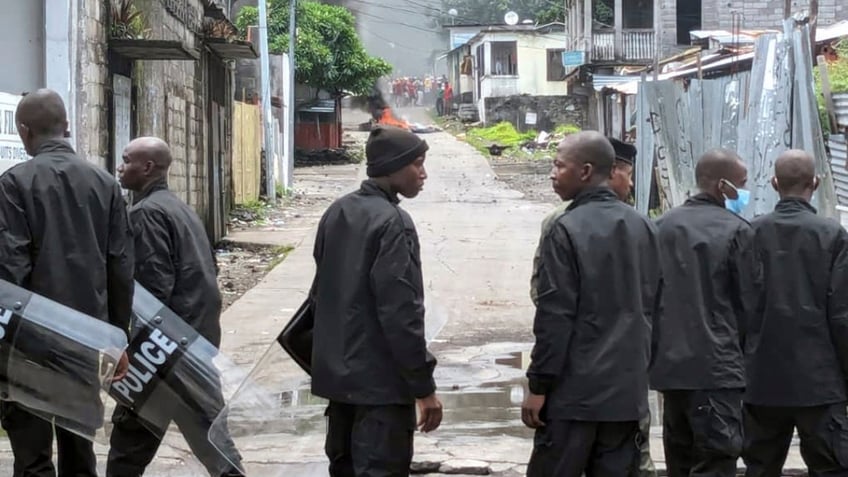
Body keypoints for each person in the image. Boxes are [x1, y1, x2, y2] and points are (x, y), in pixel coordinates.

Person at [0, 88, 133, 477]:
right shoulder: (105, 184)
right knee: (80, 451)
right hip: (85, 343)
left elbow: (11, 270)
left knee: (33, 457)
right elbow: (121, 268)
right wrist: (117, 338)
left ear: (24, 131)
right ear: (68, 126)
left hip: (29, 346)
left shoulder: (14, 184)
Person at [522, 131, 663, 477]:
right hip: (625, 397)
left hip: (574, 398)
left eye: (559, 166)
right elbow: (655, 308)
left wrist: (538, 386)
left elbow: (554, 316)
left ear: (585, 171)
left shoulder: (565, 228)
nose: (552, 174)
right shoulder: (644, 226)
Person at [310, 125, 443, 476]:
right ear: (393, 167)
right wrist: (423, 387)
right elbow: (401, 314)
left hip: (340, 390)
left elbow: (319, 297)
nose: (423, 173)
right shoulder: (394, 223)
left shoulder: (337, 213)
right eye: (417, 164)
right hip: (381, 393)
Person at [108, 137, 243, 477]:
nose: (120, 167)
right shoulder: (180, 209)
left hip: (164, 353)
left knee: (131, 446)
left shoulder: (146, 214)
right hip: (192, 344)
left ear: (148, 167)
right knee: (211, 442)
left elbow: (152, 293)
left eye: (126, 160)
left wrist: (131, 352)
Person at [651, 149, 761, 477]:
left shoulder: (660, 226)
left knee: (679, 459)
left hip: (670, 369)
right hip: (716, 369)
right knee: (717, 457)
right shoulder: (738, 231)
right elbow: (750, 305)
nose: (744, 191)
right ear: (722, 185)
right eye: (741, 184)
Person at [743, 150, 848, 477]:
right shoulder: (833, 236)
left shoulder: (750, 233)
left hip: (761, 379)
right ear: (814, 183)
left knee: (760, 467)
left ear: (774, 183)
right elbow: (842, 315)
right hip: (819, 380)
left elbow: (738, 306)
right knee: (831, 468)